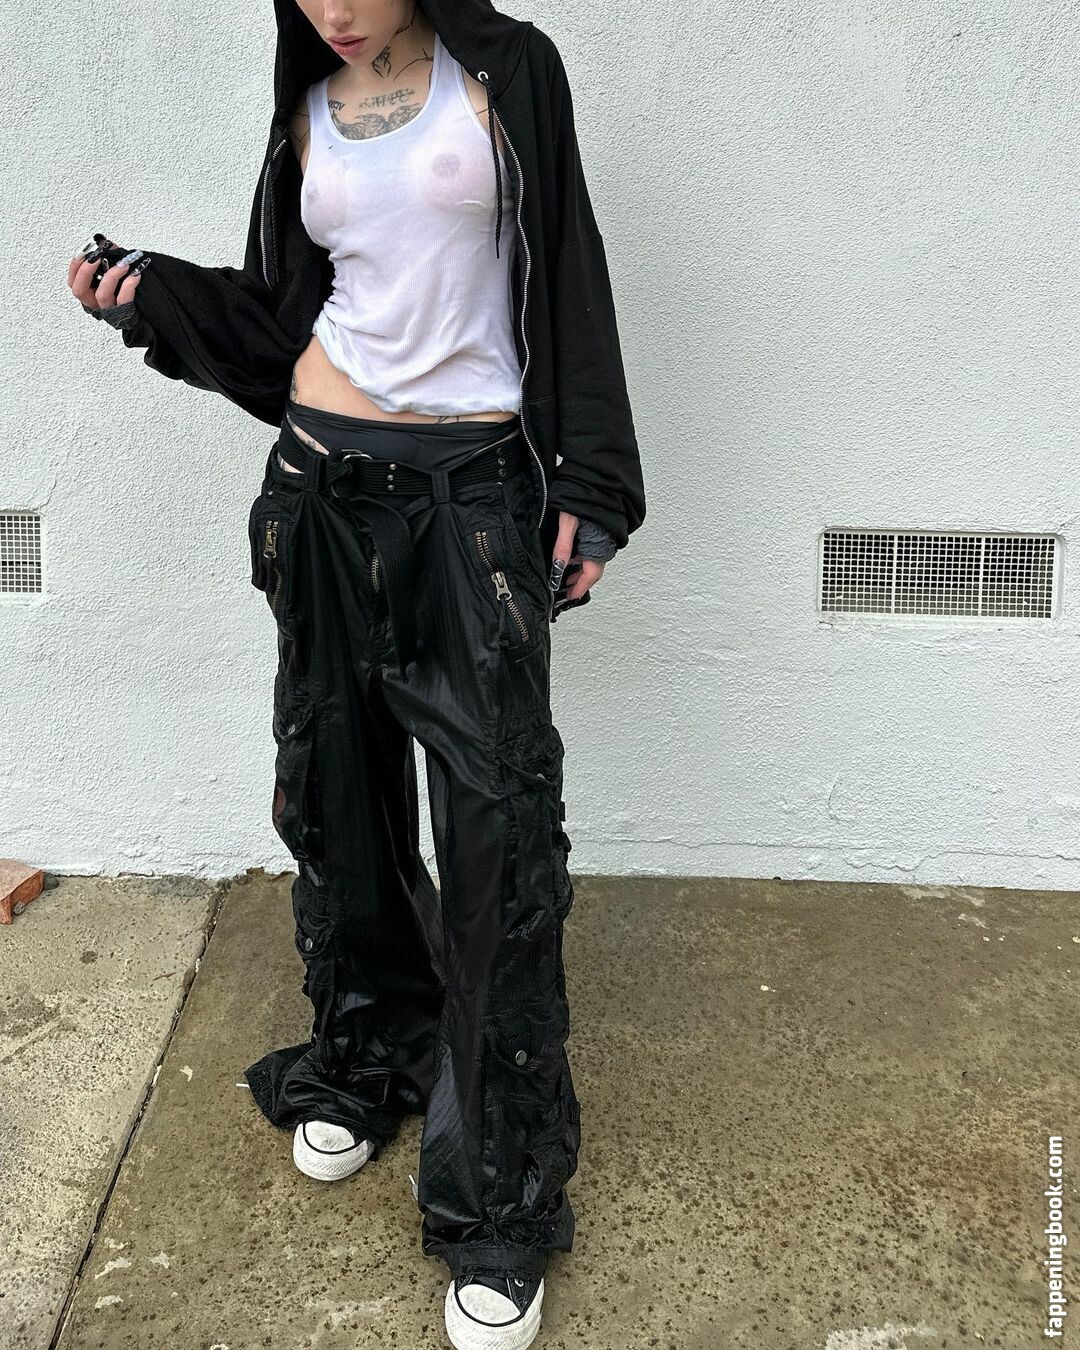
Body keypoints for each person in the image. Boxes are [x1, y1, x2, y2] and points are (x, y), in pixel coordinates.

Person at [68, 2, 645, 1346]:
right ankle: (374, 1048)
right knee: (336, 793)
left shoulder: (509, 73)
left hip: (471, 499)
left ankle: (497, 1193)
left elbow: (569, 269)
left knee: (499, 831)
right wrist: (156, 295)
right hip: (320, 485)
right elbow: (287, 316)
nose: (331, 7)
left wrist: (595, 483)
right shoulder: (307, 107)